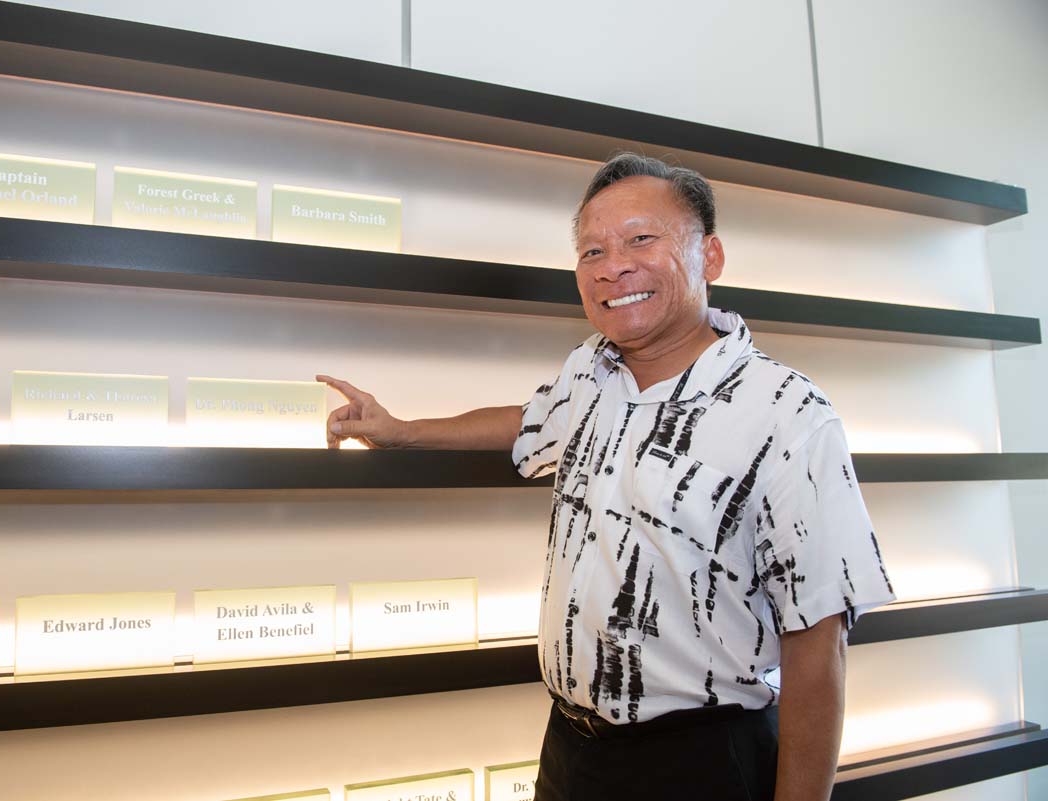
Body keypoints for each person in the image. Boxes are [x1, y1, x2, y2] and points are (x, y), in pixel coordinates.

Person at [317, 153, 895, 801]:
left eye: (641, 239)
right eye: (592, 249)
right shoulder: (591, 373)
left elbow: (818, 646)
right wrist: (401, 429)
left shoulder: (786, 413)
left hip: (701, 763)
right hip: (569, 752)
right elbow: (527, 419)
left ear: (711, 256)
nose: (612, 265)